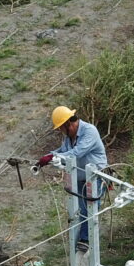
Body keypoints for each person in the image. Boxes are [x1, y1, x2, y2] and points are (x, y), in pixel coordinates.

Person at [35, 106, 108, 253]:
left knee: (90, 209)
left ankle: (86, 240)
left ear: (69, 124)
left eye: (61, 128)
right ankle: (84, 238)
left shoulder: (89, 131)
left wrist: (55, 158)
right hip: (81, 178)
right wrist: (46, 158)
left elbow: (77, 152)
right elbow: (63, 151)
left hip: (96, 177)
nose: (61, 132)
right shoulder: (69, 136)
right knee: (82, 210)